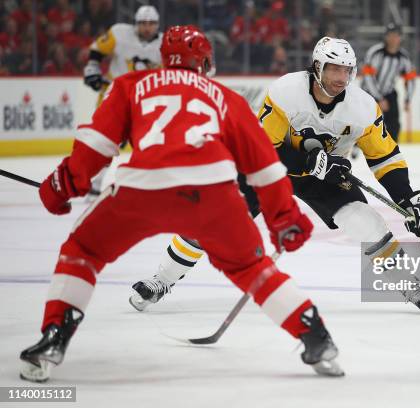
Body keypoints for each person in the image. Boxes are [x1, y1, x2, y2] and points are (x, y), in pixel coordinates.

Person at [19, 25, 343, 383]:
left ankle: (54, 336)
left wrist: (61, 185)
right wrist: (284, 217)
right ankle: (318, 339)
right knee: (253, 268)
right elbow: (263, 165)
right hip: (213, 192)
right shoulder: (226, 97)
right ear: (204, 61)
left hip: (142, 185)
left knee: (82, 250)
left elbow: (96, 147)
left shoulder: (131, 85)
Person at [129, 36, 420, 313]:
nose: (341, 78)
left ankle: (406, 281)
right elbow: (262, 149)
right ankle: (161, 279)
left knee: (367, 222)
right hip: (267, 169)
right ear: (317, 66)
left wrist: (408, 198)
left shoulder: (362, 107)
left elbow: (385, 158)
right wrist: (311, 163)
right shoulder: (287, 92)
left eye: (346, 70)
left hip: (324, 177)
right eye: (333, 69)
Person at [83, 5, 162, 197]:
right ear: (135, 24)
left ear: (157, 25)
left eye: (151, 24)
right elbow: (97, 50)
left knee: (148, 144)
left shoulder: (165, 43)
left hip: (144, 101)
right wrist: (92, 67)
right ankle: (96, 182)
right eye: (143, 23)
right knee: (105, 141)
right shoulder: (119, 33)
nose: (147, 28)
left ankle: (149, 182)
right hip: (113, 97)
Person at [361, 23, 416, 142]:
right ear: (385, 37)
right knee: (364, 121)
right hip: (369, 93)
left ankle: (392, 151)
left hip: (389, 93)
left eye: (396, 35)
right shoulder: (375, 52)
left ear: (401, 37)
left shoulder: (403, 57)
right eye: (390, 35)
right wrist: (379, 98)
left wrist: (408, 99)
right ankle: (355, 145)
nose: (393, 39)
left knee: (394, 125)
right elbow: (368, 77)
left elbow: (410, 79)